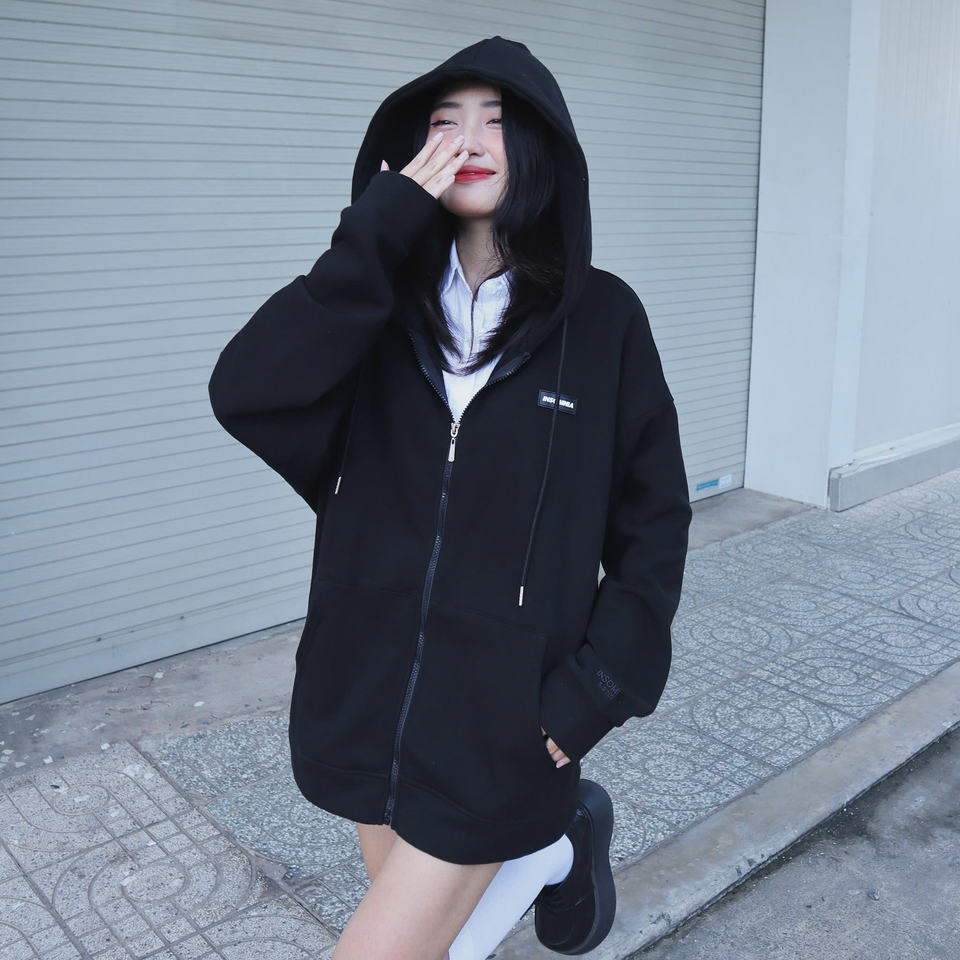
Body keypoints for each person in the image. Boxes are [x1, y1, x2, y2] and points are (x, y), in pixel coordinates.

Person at [207, 35, 692, 960]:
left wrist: (597, 689)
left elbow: (654, 520)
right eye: (444, 121)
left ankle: (550, 840)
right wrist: (378, 231)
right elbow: (248, 392)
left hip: (504, 719)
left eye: (495, 121)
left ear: (539, 147)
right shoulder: (377, 306)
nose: (468, 139)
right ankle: (558, 850)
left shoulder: (605, 320)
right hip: (366, 693)